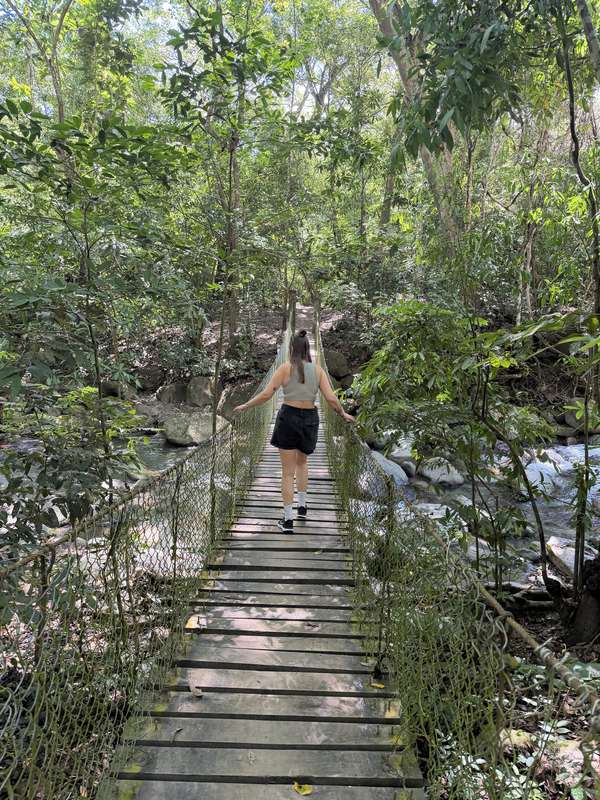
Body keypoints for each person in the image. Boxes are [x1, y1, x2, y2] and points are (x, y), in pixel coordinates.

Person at [233, 329, 354, 531]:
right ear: (308, 349)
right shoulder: (318, 370)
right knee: (303, 463)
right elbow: (331, 398)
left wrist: (246, 405)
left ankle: (288, 520)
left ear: (291, 349)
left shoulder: (284, 369)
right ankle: (303, 505)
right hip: (310, 419)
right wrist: (343, 414)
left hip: (288, 417)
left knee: (287, 472)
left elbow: (266, 395)